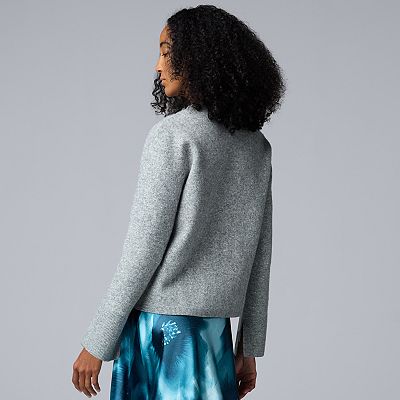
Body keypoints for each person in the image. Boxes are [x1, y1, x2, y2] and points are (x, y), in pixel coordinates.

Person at [72, 5, 286, 399]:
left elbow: (143, 249)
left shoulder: (173, 136)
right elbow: (261, 255)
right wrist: (248, 347)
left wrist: (97, 341)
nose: (157, 66)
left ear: (198, 57)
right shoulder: (257, 147)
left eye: (166, 51)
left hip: (161, 333)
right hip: (214, 336)